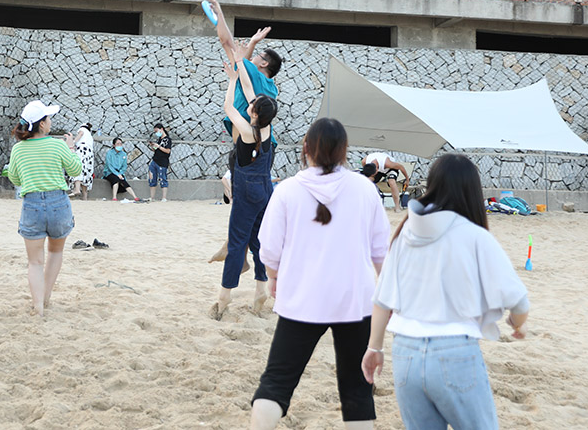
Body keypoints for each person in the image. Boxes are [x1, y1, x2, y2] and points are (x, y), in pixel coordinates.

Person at [362, 154, 530, 430]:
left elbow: (382, 300)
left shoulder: (406, 233)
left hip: (406, 354)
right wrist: (517, 324)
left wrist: (374, 348)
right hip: (455, 352)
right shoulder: (475, 236)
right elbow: (519, 302)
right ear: (472, 191)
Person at [250, 118, 389, 430]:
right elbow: (381, 251)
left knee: (276, 382)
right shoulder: (365, 189)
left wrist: (273, 277)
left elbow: (269, 248)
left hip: (302, 298)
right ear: (344, 151)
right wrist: (389, 293)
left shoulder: (287, 190)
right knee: (357, 388)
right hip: (355, 300)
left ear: (306, 149)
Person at [211, 45, 278, 321]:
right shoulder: (266, 125)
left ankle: (224, 298)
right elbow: (252, 92)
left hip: (247, 189)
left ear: (252, 113)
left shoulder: (246, 130)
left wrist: (230, 81)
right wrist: (241, 66)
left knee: (237, 242)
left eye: (250, 106)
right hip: (266, 188)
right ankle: (261, 288)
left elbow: (229, 107)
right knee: (259, 239)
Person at [5, 100, 81, 317]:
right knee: (56, 252)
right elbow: (75, 168)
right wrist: (71, 147)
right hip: (59, 203)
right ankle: (46, 297)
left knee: (35, 262)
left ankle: (38, 307)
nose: (50, 121)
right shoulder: (57, 145)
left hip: (32, 205)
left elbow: (14, 177)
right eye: (48, 118)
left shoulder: (18, 149)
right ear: (42, 125)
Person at [204, 0, 281, 142]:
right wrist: (252, 43)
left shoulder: (253, 75)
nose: (253, 57)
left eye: (258, 55)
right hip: (267, 143)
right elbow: (243, 67)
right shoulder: (272, 88)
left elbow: (226, 42)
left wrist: (219, 13)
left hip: (247, 143)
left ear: (263, 64)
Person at [103, 137, 141, 201]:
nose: (119, 145)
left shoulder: (123, 154)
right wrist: (117, 174)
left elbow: (124, 166)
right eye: (118, 144)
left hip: (120, 172)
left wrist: (120, 173)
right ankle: (114, 197)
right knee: (116, 179)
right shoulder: (109, 153)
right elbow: (109, 166)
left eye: (121, 144)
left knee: (123, 181)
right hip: (110, 172)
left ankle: (135, 197)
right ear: (114, 145)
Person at [67, 123, 94, 200]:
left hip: (82, 150)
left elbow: (80, 134)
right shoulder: (90, 136)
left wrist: (73, 142)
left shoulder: (82, 130)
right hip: (89, 153)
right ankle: (84, 196)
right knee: (86, 172)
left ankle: (77, 189)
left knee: (78, 168)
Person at [147, 123, 172, 202]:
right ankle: (152, 197)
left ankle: (164, 197)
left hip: (162, 162)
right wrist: (153, 146)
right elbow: (156, 150)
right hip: (155, 160)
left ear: (162, 129)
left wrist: (159, 146)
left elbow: (168, 151)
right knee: (152, 178)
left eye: (157, 131)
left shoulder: (167, 140)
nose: (156, 133)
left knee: (162, 178)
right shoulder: (159, 140)